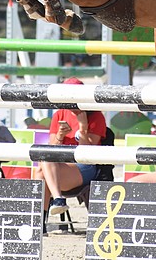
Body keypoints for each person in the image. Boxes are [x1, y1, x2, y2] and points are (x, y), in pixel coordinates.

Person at [38, 77, 108, 217]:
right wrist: (60, 135)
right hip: (63, 165)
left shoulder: (95, 115)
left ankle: (46, 213)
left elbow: (89, 154)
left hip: (85, 166)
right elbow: (53, 147)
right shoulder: (60, 114)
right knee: (42, 169)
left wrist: (83, 129)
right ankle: (54, 205)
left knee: (42, 169)